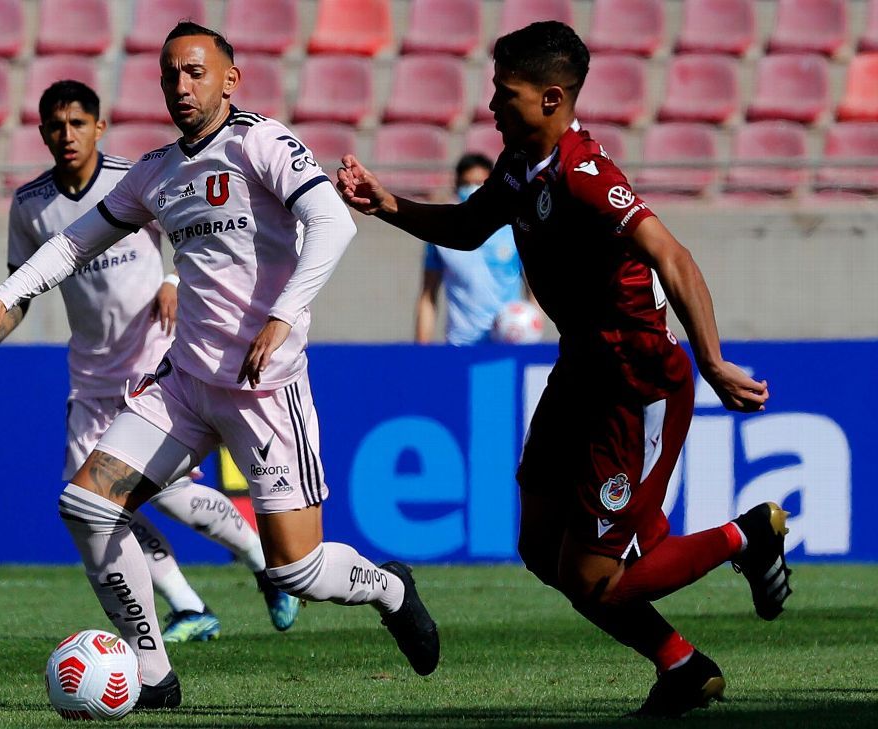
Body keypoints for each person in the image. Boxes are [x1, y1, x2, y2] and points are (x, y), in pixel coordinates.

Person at [0, 22, 439, 709]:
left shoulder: (260, 142)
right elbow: (72, 246)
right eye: (169, 76)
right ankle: (153, 674)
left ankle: (389, 586)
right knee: (87, 505)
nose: (181, 87)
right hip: (183, 384)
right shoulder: (156, 171)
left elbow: (333, 222)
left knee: (297, 569)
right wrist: (2, 296)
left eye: (195, 72)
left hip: (264, 389)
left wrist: (284, 314)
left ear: (229, 79)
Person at [338, 21, 790, 718]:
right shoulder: (518, 165)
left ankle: (747, 536)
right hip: (580, 368)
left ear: (552, 99)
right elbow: (467, 228)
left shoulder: (586, 176)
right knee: (538, 546)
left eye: (505, 94)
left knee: (592, 577)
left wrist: (714, 362)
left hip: (635, 383)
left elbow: (674, 258)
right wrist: (389, 205)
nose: (491, 106)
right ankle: (681, 665)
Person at [0, 79, 299, 642]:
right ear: (43, 132)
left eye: (78, 123)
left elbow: (190, 236)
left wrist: (171, 280)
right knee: (92, 503)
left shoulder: (135, 179)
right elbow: (25, 291)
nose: (67, 135)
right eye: (55, 125)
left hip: (151, 368)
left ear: (99, 127)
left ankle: (265, 568)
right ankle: (189, 607)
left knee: (165, 494)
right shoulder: (30, 205)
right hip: (89, 378)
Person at [413, 154, 528, 345]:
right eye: (466, 183)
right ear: (457, 185)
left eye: (479, 182)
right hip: (460, 343)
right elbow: (428, 296)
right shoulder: (441, 235)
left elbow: (532, 290)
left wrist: (529, 329)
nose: (472, 188)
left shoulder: (513, 230)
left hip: (507, 343)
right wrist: (421, 350)